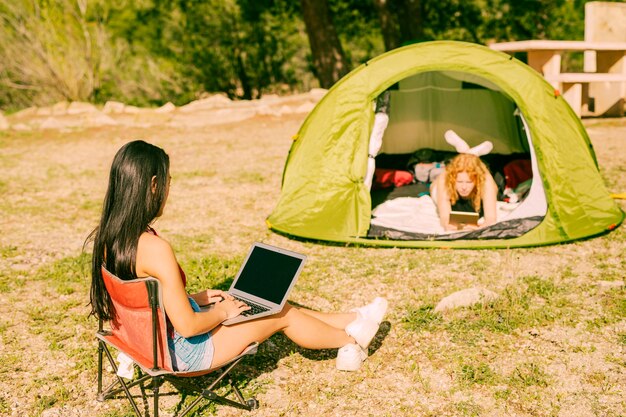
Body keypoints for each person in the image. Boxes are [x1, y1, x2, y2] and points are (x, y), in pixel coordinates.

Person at [87, 140, 387, 372]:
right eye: (167, 182)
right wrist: (222, 313)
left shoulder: (108, 238)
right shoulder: (155, 248)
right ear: (152, 185)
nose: (168, 189)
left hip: (147, 342)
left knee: (265, 303)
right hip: (182, 353)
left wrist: (200, 298)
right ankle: (352, 341)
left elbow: (147, 299)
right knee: (280, 314)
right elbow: (189, 327)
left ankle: (354, 317)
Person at [430, 153, 498, 231]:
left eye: (469, 182)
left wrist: (479, 228)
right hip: (441, 189)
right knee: (437, 188)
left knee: (492, 188)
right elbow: (444, 216)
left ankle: (469, 154)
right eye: (459, 182)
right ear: (453, 179)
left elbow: (491, 218)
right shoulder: (445, 179)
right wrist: (448, 225)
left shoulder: (485, 181)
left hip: (476, 192)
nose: (464, 187)